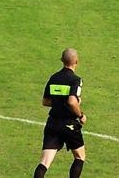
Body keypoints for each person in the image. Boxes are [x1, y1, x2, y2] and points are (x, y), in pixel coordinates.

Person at [34, 48, 87, 178]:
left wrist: (59, 102)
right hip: (69, 124)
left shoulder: (54, 78)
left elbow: (45, 101)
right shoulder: (76, 80)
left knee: (45, 162)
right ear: (76, 61)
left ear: (62, 60)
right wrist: (81, 115)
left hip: (53, 123)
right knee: (80, 157)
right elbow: (72, 101)